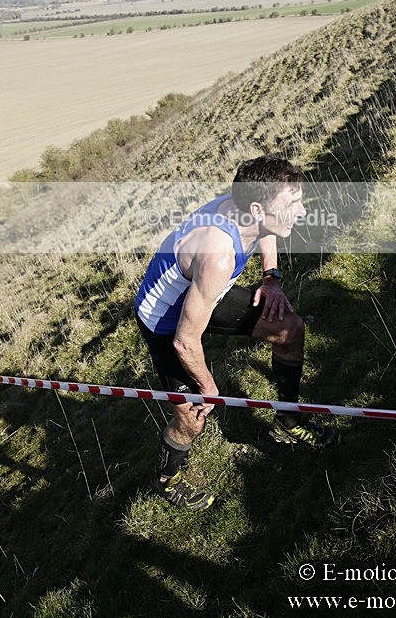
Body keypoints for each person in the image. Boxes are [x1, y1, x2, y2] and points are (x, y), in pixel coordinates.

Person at [135, 155, 338, 510]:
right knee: (192, 415)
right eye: (292, 204)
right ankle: (167, 480)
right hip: (165, 320)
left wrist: (271, 278)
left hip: (204, 295)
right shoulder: (218, 255)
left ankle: (288, 419)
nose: (302, 212)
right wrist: (208, 387)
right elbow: (184, 342)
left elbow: (268, 231)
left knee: (289, 329)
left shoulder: (248, 211)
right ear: (258, 208)